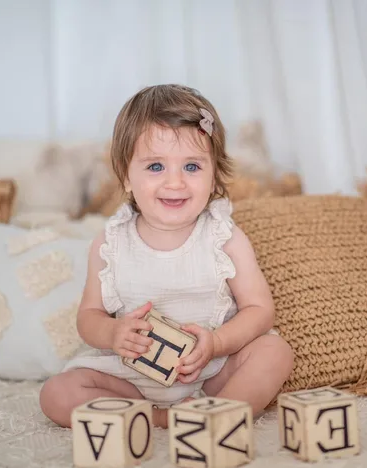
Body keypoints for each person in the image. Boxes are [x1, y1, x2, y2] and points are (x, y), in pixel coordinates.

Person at [39, 84, 294, 428]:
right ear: (126, 176)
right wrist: (114, 333)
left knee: (275, 352)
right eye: (156, 166)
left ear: (214, 175)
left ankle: (220, 412)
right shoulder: (109, 243)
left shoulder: (225, 237)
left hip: (209, 372)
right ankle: (161, 417)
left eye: (192, 167)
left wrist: (217, 343)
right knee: (57, 393)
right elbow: (88, 317)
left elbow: (260, 310)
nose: (175, 183)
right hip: (131, 377)